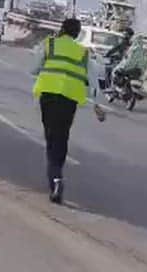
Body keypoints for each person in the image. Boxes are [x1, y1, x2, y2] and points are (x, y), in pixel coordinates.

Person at [30, 17, 106, 205]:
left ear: (62, 29)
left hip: (49, 95)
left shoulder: (50, 44)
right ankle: (57, 177)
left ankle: (55, 179)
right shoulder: (83, 52)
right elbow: (93, 80)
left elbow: (34, 68)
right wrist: (97, 104)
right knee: (62, 137)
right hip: (69, 99)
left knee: (51, 137)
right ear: (77, 34)